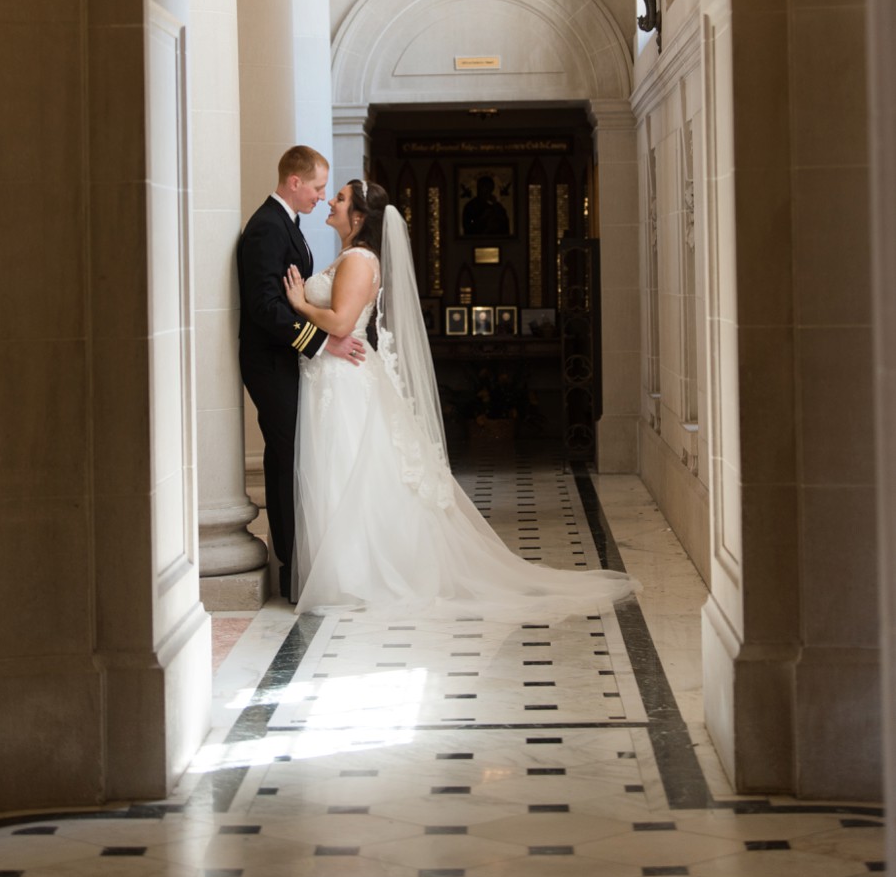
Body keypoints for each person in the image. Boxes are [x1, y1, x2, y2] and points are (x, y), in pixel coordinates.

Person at [283, 180, 638, 619]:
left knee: (351, 472)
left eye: (338, 198)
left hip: (347, 379)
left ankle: (360, 575)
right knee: (342, 473)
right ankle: (343, 572)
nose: (330, 203)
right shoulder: (349, 256)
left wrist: (299, 303)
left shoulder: (358, 259)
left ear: (357, 217)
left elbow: (340, 322)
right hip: (335, 377)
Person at [237, 146, 365, 603]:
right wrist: (321, 340)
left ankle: (298, 563)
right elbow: (264, 308)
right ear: (294, 182)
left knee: (294, 459)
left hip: (288, 360)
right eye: (316, 187)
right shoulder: (267, 229)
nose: (322, 196)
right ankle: (294, 568)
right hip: (271, 363)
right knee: (288, 459)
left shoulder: (287, 225)